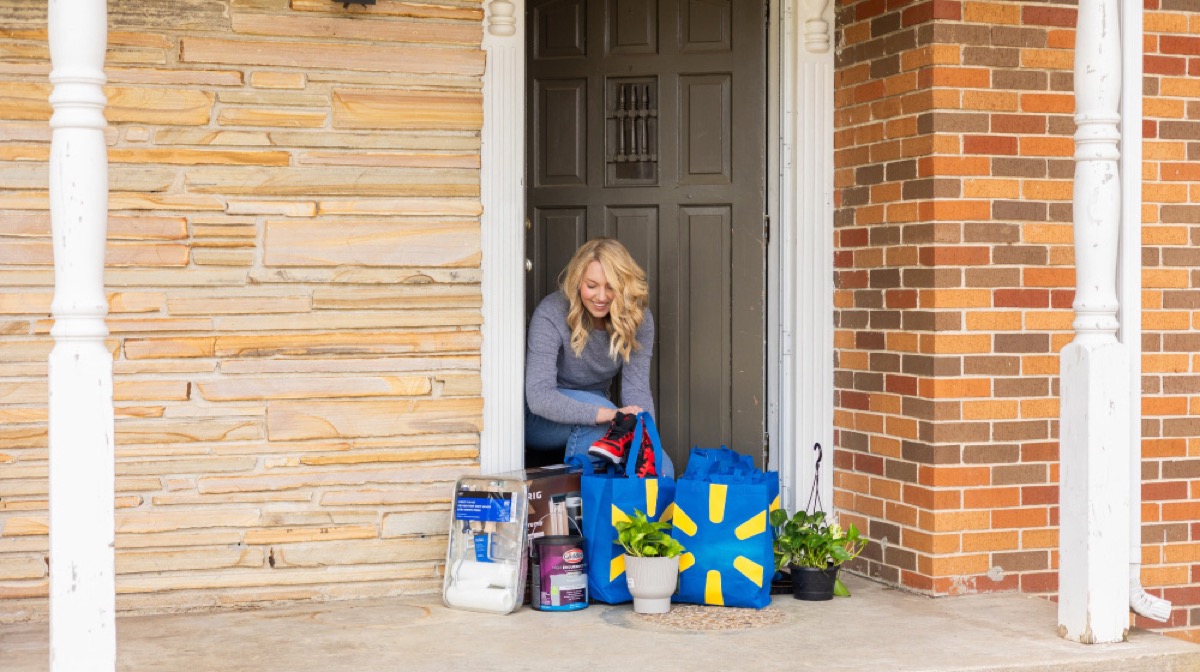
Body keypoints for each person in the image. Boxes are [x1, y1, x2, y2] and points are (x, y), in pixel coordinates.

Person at [524, 238, 674, 477]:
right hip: (540, 418)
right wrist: (612, 415)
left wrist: (645, 438)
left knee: (661, 467)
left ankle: (628, 500)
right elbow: (539, 397)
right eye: (592, 286)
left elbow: (637, 391)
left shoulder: (638, 318)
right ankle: (581, 499)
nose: (601, 297)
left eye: (611, 287)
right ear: (577, 281)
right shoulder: (551, 312)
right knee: (601, 423)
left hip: (601, 408)